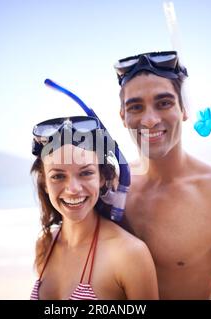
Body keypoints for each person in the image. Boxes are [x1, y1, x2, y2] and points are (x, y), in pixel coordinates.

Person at [113, 51, 211, 299]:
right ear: (123, 116)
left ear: (185, 108)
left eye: (163, 103)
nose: (150, 120)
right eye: (136, 107)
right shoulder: (108, 188)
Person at [29, 116, 158, 300]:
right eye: (58, 176)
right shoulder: (45, 244)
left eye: (86, 173)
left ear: (102, 178)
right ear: (44, 183)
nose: (73, 189)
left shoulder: (129, 255)